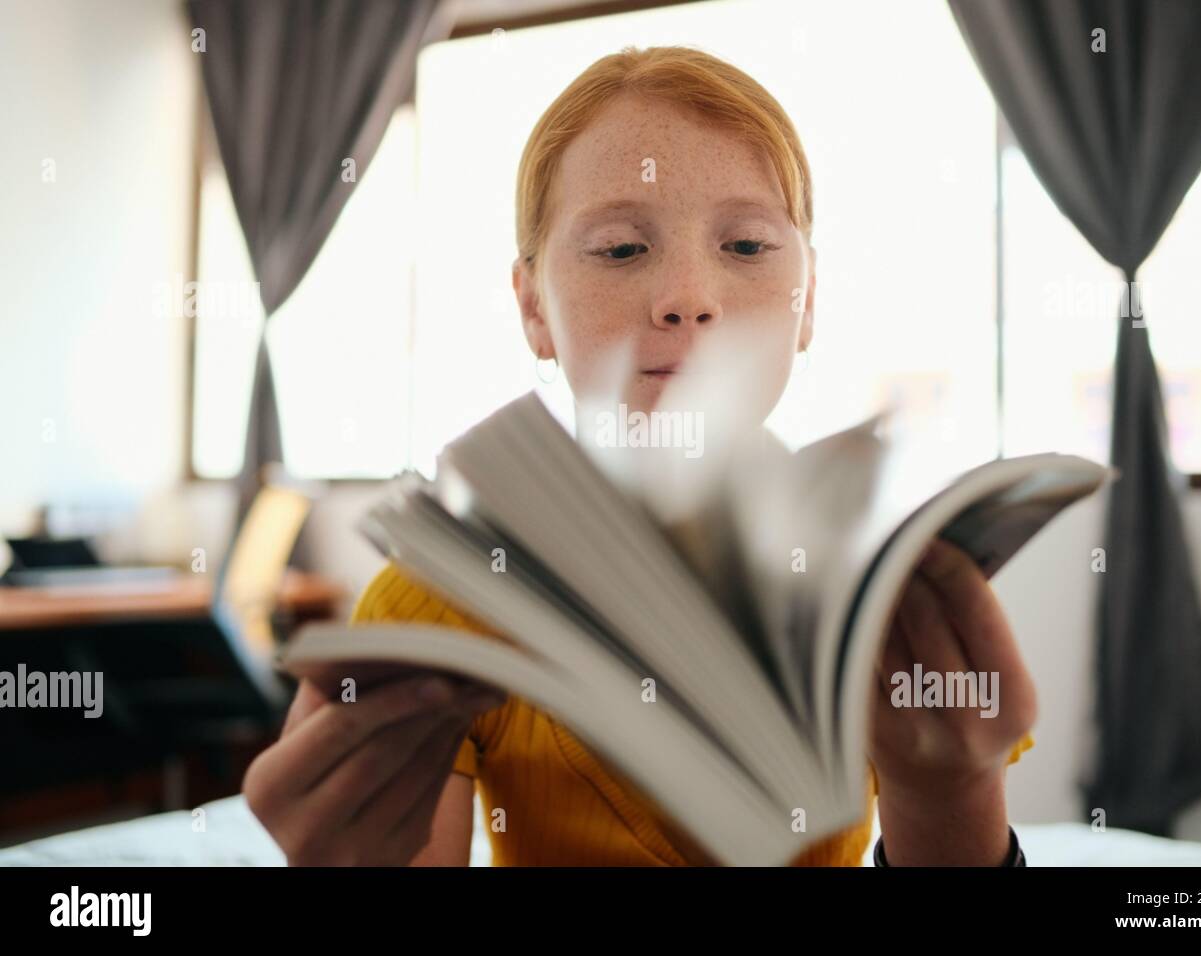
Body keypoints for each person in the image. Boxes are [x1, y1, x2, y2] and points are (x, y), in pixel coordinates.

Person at [244, 45, 1036, 867]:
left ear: (809, 302)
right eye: (621, 249)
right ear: (532, 307)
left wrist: (946, 790)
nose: (688, 297)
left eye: (749, 247)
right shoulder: (436, 599)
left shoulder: (889, 581)